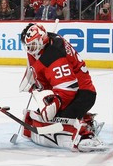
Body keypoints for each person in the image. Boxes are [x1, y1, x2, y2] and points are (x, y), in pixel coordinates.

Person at [19, 23, 107, 152]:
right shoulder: (49, 41)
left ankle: (86, 131)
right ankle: (83, 118)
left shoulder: (54, 57)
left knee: (58, 120)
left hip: (82, 93)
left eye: (33, 45)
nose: (30, 49)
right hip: (70, 89)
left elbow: (68, 90)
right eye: (28, 46)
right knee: (47, 115)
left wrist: (54, 102)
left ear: (42, 40)